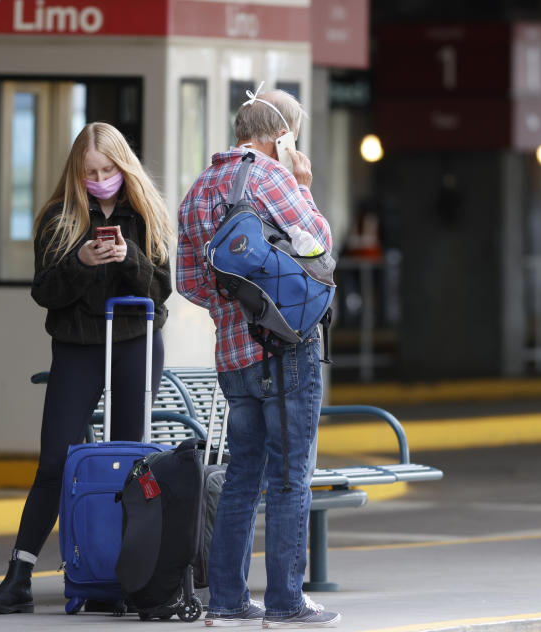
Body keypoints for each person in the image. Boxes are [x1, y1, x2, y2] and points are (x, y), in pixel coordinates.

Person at [0, 122, 173, 615]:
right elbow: (45, 292)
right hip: (78, 346)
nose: (100, 179)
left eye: (108, 170)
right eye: (90, 173)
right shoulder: (58, 218)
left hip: (135, 342)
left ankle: (126, 577)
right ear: (76, 173)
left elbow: (161, 290)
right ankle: (18, 576)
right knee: (55, 463)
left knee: (130, 463)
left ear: (123, 167)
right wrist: (83, 261)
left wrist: (127, 261)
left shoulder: (147, 214)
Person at [176, 86, 341, 628]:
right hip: (287, 347)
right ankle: (286, 602)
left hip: (233, 356)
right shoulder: (273, 178)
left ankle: (225, 600)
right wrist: (303, 185)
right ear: (283, 135)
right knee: (292, 474)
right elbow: (319, 245)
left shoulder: (199, 189)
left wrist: (236, 310)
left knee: (243, 472)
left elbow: (191, 284)